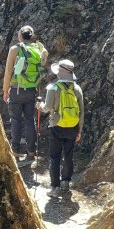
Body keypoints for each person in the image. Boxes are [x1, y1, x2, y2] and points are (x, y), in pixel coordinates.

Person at [37, 59, 84, 196]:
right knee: (68, 154)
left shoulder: (53, 87)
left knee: (54, 156)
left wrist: (39, 106)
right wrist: (79, 130)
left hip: (57, 126)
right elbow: (81, 111)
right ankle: (66, 182)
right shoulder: (77, 89)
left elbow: (47, 108)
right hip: (73, 127)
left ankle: (55, 187)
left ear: (60, 73)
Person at [2, 25, 46, 164]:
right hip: (32, 90)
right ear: (31, 36)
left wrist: (5, 90)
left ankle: (15, 151)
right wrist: (39, 44)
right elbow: (44, 62)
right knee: (29, 120)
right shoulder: (37, 49)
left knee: (15, 120)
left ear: (20, 35)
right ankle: (31, 151)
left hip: (17, 89)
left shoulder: (15, 49)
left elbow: (8, 71)